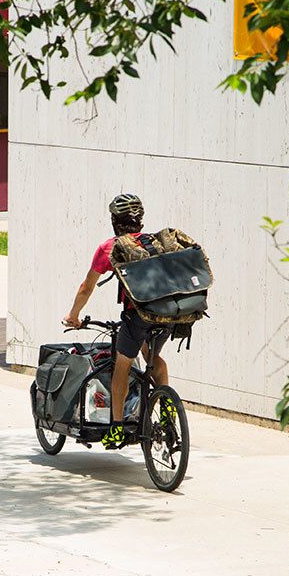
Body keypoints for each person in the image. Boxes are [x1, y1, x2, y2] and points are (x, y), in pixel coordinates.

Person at [62, 193, 170, 450]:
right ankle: (168, 412)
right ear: (140, 219)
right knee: (152, 359)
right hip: (168, 314)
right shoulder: (154, 242)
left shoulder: (110, 247)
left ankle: (117, 427)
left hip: (138, 317)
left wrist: (74, 316)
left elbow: (87, 288)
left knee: (123, 364)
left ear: (114, 220)